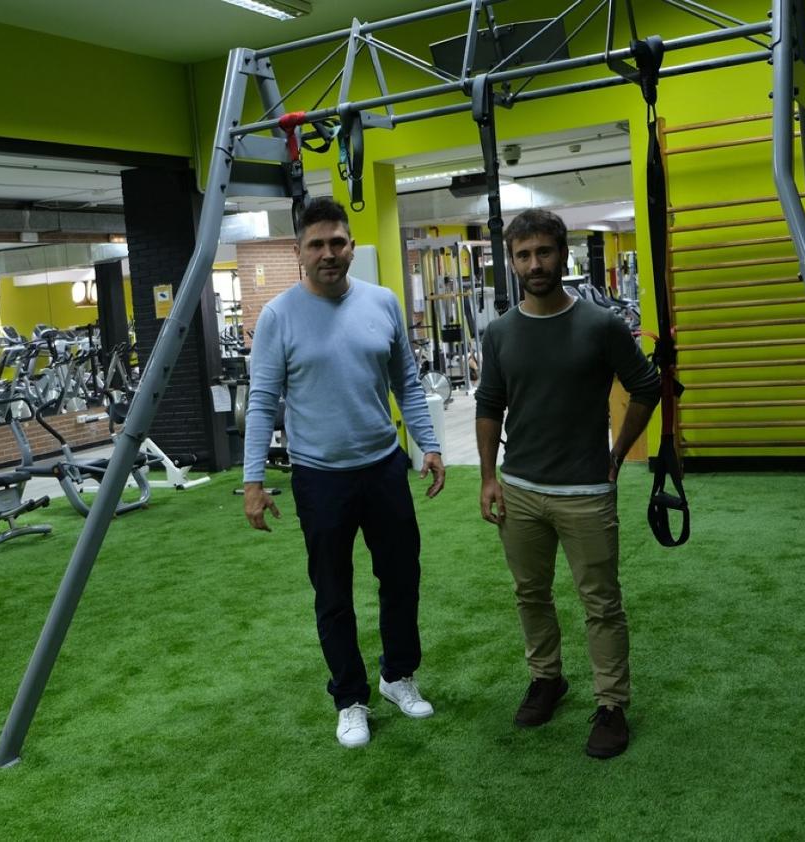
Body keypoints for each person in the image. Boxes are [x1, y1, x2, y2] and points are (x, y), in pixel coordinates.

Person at [243, 197, 446, 750]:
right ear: (298, 252)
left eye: (338, 242)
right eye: (317, 245)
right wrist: (252, 481)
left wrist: (429, 444)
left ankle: (397, 676)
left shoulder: (382, 302)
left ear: (351, 246)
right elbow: (262, 401)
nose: (328, 253)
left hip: (383, 467)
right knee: (333, 592)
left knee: (402, 578)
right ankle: (349, 698)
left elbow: (406, 380)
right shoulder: (278, 316)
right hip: (320, 476)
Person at [475, 208, 660, 760]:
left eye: (544, 252)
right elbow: (489, 405)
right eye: (523, 255)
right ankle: (547, 678)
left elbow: (646, 387)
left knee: (600, 603)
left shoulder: (601, 326)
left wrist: (619, 452)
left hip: (585, 492)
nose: (535, 264)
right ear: (512, 262)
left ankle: (611, 704)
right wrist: (488, 477)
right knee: (529, 594)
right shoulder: (501, 332)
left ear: (564, 254)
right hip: (520, 491)